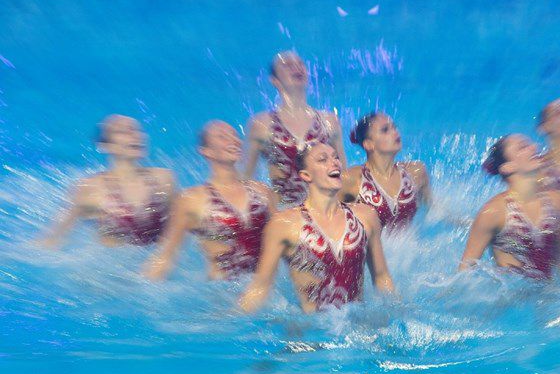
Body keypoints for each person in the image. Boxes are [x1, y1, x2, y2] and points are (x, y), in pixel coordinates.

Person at [239, 142, 395, 313]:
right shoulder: (283, 225)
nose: (334, 162)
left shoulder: (366, 216)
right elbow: (260, 287)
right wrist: (233, 322)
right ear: (306, 175)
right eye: (323, 159)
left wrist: (396, 312)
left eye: (336, 157)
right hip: (312, 333)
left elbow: (381, 276)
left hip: (357, 330)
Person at [143, 121, 275, 280]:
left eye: (235, 135)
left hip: (267, 291)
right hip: (221, 294)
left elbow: (284, 243)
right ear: (206, 151)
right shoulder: (191, 200)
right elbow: (166, 256)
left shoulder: (263, 192)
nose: (233, 140)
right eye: (222, 136)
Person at [38, 115, 174, 248]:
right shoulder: (89, 188)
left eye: (137, 130)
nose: (135, 135)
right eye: (122, 131)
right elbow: (54, 237)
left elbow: (178, 226)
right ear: (105, 145)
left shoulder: (163, 179)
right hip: (113, 266)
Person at [458, 135, 560, 279]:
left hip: (551, 294)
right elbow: (464, 273)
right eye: (523, 147)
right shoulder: (493, 212)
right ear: (507, 167)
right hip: (512, 299)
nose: (535, 147)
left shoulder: (557, 200)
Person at [244, 51, 347, 206]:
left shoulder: (329, 121)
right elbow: (246, 179)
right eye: (287, 65)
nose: (297, 68)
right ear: (275, 80)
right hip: (284, 215)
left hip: (324, 212)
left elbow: (343, 175)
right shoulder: (261, 124)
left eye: (300, 64)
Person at [339, 112, 430, 231]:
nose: (395, 132)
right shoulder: (351, 179)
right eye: (385, 130)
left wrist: (460, 223)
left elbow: (432, 211)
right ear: (369, 144)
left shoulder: (416, 171)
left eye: (394, 127)